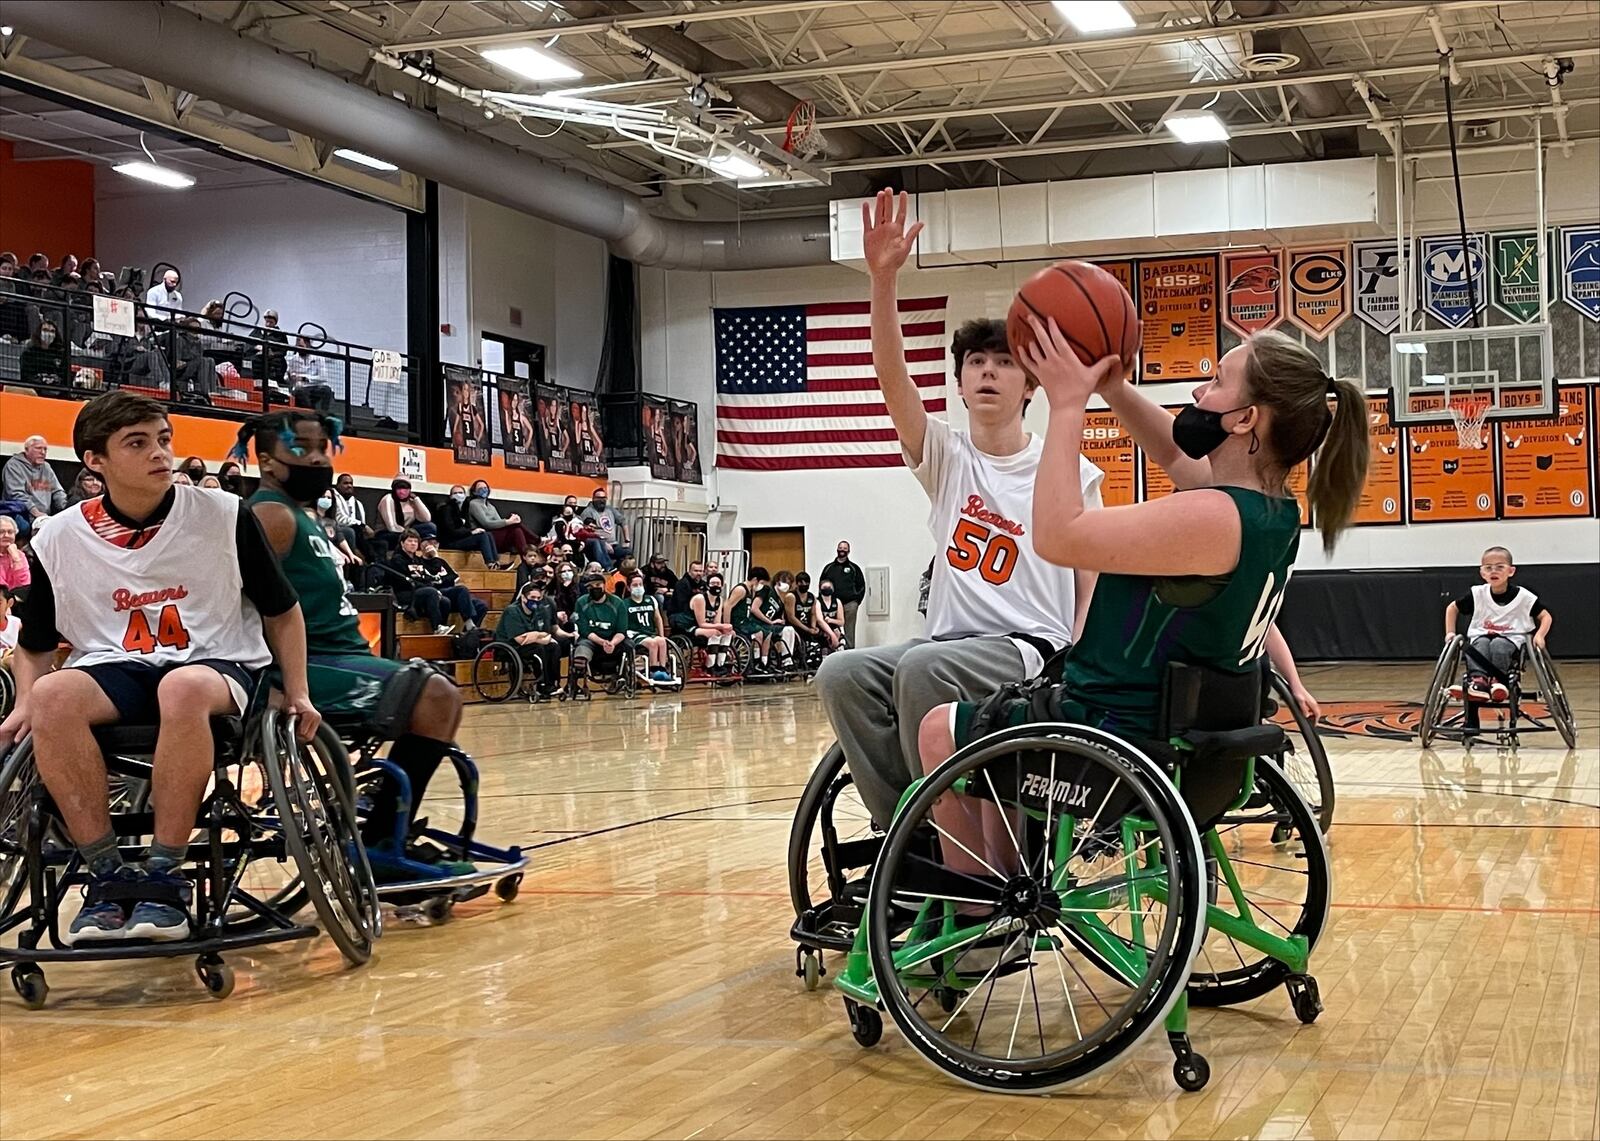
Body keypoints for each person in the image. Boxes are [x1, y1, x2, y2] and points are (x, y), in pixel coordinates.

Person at [917, 322, 1369, 877]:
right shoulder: (1270, 511)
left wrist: (1067, 406)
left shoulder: (1210, 516)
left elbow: (1058, 535)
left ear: (1246, 418)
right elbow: (1179, 457)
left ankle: (978, 907)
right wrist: (1113, 386)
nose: (1199, 393)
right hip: (1180, 733)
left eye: (1218, 381)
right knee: (997, 729)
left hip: (1109, 732)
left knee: (939, 728)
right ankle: (1007, 893)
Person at [814, 189, 1104, 831]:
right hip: (947, 644)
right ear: (961, 379)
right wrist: (883, 279)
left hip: (1029, 648)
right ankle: (905, 831)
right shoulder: (946, 456)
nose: (989, 373)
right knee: (840, 672)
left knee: (921, 666)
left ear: (1030, 386)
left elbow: (1092, 580)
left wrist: (1081, 657)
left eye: (1005, 364)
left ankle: (952, 836)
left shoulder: (1066, 469)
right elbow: (892, 379)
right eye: (977, 362)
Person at [0, 390, 316, 944]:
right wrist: (26, 700)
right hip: (118, 666)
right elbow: (34, 645)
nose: (160, 454)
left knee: (183, 688)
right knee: (53, 698)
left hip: (213, 662)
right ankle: (108, 875)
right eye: (138, 443)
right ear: (95, 461)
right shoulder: (57, 537)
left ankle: (164, 871)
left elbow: (283, 612)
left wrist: (299, 693)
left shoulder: (224, 514)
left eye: (164, 440)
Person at [235, 409, 473, 881]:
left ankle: (384, 823)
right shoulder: (270, 515)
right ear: (266, 461)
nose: (319, 459)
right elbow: (231, 605)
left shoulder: (297, 515)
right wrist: (272, 681)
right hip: (303, 666)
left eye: (325, 447)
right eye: (302, 448)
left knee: (434, 688)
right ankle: (385, 840)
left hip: (342, 658)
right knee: (436, 695)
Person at [1443, 546, 1553, 704]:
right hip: (1481, 636)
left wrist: (1540, 635)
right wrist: (1450, 633)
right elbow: (1452, 608)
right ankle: (1478, 683)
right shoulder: (1477, 593)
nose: (1493, 571)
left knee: (1498, 645)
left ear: (1511, 571)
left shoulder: (1524, 596)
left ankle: (1499, 682)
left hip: (1512, 638)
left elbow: (1545, 616)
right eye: (1488, 568)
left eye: (1500, 567)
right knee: (1478, 645)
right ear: (1482, 573)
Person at [386, 530, 484, 635]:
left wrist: (435, 557)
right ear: (402, 543)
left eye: (415, 541)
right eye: (410, 541)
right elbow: (404, 580)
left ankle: (467, 626)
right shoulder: (397, 560)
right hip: (407, 592)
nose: (413, 544)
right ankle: (437, 627)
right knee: (432, 592)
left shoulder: (418, 560)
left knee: (452, 596)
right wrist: (428, 585)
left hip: (424, 589)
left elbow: (432, 574)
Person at [495, 576, 562, 699]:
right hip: (509, 647)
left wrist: (535, 635)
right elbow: (520, 639)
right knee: (539, 649)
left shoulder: (538, 610)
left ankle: (553, 684)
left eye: (538, 598)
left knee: (554, 647)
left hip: (529, 645)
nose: (535, 601)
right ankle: (543, 686)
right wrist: (537, 636)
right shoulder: (512, 611)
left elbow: (546, 633)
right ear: (523, 597)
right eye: (532, 598)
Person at [4, 435, 68, 538]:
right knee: (24, 527)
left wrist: (66, 508)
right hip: (22, 513)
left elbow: (58, 491)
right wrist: (36, 513)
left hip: (43, 516)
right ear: (26, 449)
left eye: (45, 449)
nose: (43, 452)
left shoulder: (46, 467)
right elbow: (16, 494)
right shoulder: (13, 466)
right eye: (38, 448)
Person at [573, 570, 631, 681]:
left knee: (629, 645)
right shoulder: (581, 602)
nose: (595, 588)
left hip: (614, 638)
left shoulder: (618, 603)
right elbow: (584, 630)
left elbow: (622, 630)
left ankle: (625, 674)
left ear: (604, 586)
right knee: (582, 645)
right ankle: (581, 669)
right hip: (592, 639)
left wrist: (611, 643)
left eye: (598, 585)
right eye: (591, 586)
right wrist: (602, 642)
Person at [727, 566, 783, 674]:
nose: (762, 586)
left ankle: (764, 663)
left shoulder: (750, 591)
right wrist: (727, 626)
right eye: (761, 583)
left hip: (746, 621)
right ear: (755, 580)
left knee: (768, 632)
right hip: (738, 622)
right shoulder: (741, 589)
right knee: (758, 633)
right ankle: (756, 662)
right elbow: (727, 606)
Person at [434, 483, 504, 570]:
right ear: (450, 496)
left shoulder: (464, 509)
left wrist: (471, 531)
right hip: (450, 542)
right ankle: (490, 563)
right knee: (482, 537)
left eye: (460, 492)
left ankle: (496, 562)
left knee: (487, 534)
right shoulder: (446, 509)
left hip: (462, 538)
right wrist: (470, 532)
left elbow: (466, 526)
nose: (458, 495)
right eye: (455, 493)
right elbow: (451, 531)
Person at [622, 570, 673, 683]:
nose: (638, 587)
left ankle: (663, 669)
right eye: (635, 585)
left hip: (649, 632)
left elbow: (658, 618)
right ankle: (653, 670)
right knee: (652, 643)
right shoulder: (625, 603)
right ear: (629, 588)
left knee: (662, 641)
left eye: (640, 584)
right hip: (635, 634)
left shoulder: (651, 600)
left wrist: (661, 634)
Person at [464, 480, 533, 557]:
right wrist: (509, 521)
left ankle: (525, 560)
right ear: (474, 492)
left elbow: (499, 523)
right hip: (486, 538)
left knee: (517, 530)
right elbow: (487, 524)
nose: (484, 490)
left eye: (485, 488)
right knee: (516, 526)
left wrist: (511, 521)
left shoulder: (491, 506)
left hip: (496, 537)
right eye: (480, 488)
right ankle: (535, 540)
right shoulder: (474, 504)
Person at [818, 541, 866, 647]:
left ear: (848, 551)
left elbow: (861, 586)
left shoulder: (854, 568)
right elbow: (821, 585)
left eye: (845, 548)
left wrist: (857, 600)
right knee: (830, 627)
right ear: (837, 549)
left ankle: (849, 650)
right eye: (840, 547)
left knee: (849, 629)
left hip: (850, 604)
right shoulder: (829, 568)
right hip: (832, 604)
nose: (842, 550)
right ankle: (832, 649)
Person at [689, 570, 735, 674]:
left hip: (706, 627)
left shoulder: (720, 599)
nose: (716, 586)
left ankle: (720, 664)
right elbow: (701, 623)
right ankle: (709, 666)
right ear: (708, 585)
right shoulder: (700, 598)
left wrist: (725, 628)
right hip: (692, 626)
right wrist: (723, 626)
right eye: (713, 584)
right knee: (715, 633)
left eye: (718, 584)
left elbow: (716, 622)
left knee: (727, 634)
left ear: (722, 585)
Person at [578, 486, 631, 570]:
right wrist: (604, 544)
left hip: (613, 544)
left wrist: (627, 540)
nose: (602, 500)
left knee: (627, 552)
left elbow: (623, 521)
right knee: (597, 543)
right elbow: (587, 532)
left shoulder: (610, 509)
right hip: (597, 544)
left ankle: (619, 572)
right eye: (599, 498)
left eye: (603, 498)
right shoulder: (588, 512)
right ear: (593, 499)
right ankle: (608, 568)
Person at [377, 477, 435, 546]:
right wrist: (409, 534)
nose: (402, 492)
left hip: (406, 531)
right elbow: (391, 527)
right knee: (406, 539)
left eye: (405, 489)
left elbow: (426, 519)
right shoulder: (388, 499)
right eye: (399, 489)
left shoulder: (411, 501)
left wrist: (416, 500)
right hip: (388, 533)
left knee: (430, 527)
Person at [287, 336, 334, 412]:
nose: (299, 349)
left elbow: (323, 377)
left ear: (308, 345)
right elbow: (286, 377)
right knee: (299, 390)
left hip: (314, 387)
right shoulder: (292, 359)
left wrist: (305, 378)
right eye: (298, 347)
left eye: (301, 346)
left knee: (327, 390)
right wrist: (289, 377)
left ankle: (324, 414)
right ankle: (311, 413)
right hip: (299, 388)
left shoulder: (318, 358)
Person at [19, 320, 69, 388]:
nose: (48, 334)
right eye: (45, 330)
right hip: (34, 389)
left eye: (52, 331)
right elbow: (26, 376)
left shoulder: (60, 354)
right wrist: (41, 380)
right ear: (39, 332)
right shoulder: (28, 353)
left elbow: (64, 377)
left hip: (56, 390)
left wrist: (55, 381)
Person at [250, 309, 288, 385]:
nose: (268, 324)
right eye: (267, 321)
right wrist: (256, 347)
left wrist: (273, 353)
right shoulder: (257, 331)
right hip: (257, 359)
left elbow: (283, 351)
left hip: (272, 360)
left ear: (275, 323)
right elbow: (249, 343)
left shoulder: (280, 335)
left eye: (271, 322)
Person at [0, 517, 29, 593]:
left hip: (16, 599)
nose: (6, 535)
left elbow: (25, 583)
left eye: (10, 532)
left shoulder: (20, 555)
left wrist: (16, 559)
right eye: (1, 532)